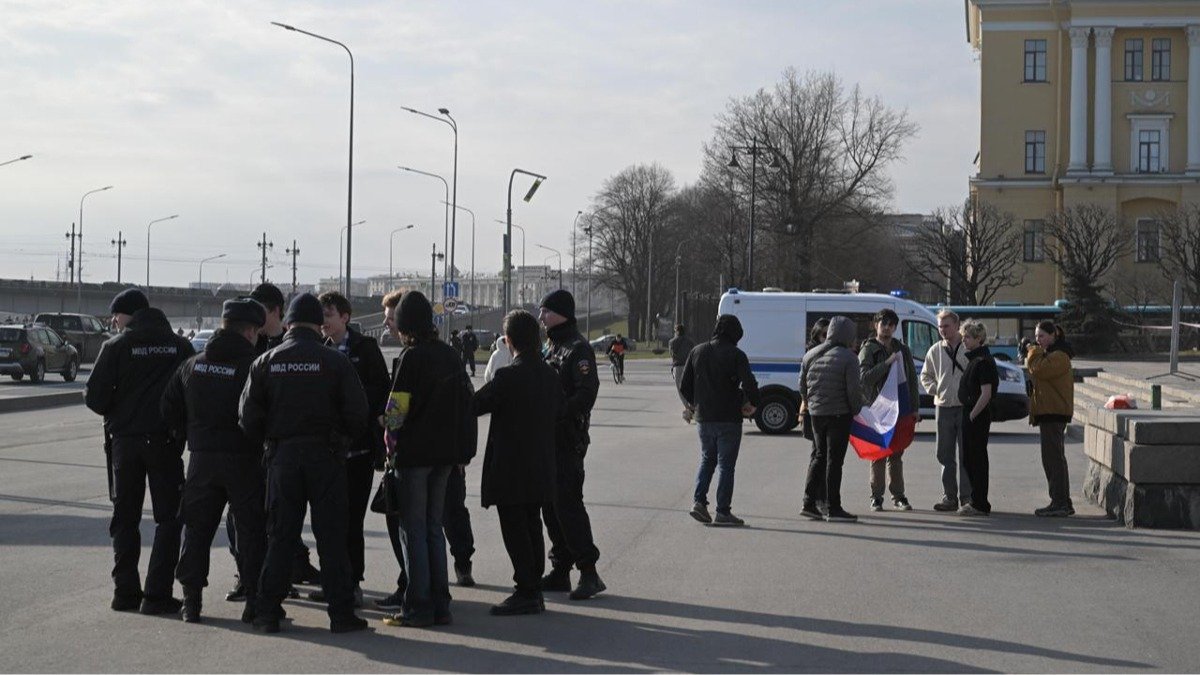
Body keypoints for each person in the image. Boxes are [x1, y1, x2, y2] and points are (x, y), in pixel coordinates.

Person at [238, 292, 369, 634]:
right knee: (332, 538)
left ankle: (267, 612)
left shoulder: (266, 361)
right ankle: (341, 614)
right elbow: (358, 414)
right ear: (318, 324)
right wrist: (340, 442)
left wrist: (270, 441)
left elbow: (247, 416)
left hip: (282, 459)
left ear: (288, 323)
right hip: (326, 459)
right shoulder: (335, 362)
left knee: (281, 537)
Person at [85, 288, 195, 614]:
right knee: (169, 519)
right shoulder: (180, 346)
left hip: (125, 444)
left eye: (116, 315)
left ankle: (125, 593)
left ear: (129, 314)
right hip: (165, 444)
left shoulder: (116, 346)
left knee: (125, 519)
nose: (114, 321)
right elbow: (194, 392)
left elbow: (94, 397)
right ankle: (157, 595)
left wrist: (119, 410)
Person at [162, 297, 268, 623]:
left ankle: (191, 602)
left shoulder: (193, 364)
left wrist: (193, 433)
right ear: (250, 331)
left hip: (202, 459)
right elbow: (265, 413)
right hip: (244, 459)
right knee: (250, 531)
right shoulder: (255, 367)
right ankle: (253, 601)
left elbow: (168, 408)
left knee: (196, 531)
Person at [380, 291, 477, 628]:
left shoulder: (412, 358)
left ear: (406, 326)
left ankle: (417, 606)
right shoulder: (450, 356)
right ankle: (440, 603)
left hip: (415, 456)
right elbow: (467, 405)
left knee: (413, 530)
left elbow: (395, 412)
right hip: (446, 457)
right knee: (435, 529)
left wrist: (389, 445)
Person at [225, 282, 317, 602]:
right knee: (240, 516)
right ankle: (247, 575)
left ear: (277, 311)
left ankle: (284, 574)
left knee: (278, 517)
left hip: (282, 446)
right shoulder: (250, 343)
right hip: (250, 444)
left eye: (260, 310)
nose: (253, 317)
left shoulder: (288, 344)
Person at [474, 310, 562, 615]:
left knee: (515, 529)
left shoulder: (508, 376)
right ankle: (532, 587)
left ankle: (526, 589)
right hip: (541, 464)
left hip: (511, 467)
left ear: (509, 341)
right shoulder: (550, 374)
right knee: (532, 525)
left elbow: (477, 404)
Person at [315, 291, 390, 608]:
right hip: (328, 453)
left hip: (357, 451)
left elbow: (381, 392)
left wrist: (350, 401)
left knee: (351, 521)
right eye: (322, 317)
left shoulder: (365, 348)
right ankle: (334, 580)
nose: (325, 323)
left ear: (345, 317)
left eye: (329, 315)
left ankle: (353, 582)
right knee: (329, 521)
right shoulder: (320, 351)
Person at [539, 289, 606, 600]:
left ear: (562, 314)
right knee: (549, 507)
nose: (541, 318)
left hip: (566, 439)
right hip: (547, 440)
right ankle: (560, 569)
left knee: (567, 506)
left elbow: (586, 392)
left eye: (546, 312)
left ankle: (589, 572)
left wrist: (559, 413)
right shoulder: (552, 346)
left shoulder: (577, 349)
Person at [679, 314, 759, 526]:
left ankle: (699, 502)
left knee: (707, 459)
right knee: (726, 466)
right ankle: (722, 511)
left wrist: (696, 403)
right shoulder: (736, 355)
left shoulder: (697, 351)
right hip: (729, 418)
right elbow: (750, 384)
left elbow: (684, 386)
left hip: (704, 418)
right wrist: (752, 403)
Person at [799, 315, 862, 523]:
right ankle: (833, 507)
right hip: (839, 413)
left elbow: (802, 386)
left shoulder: (811, 354)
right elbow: (853, 391)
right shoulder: (849, 357)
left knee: (818, 456)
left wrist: (810, 403)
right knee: (835, 461)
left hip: (816, 413)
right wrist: (856, 410)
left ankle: (808, 503)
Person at [858, 309, 917, 512]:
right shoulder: (868, 349)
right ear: (876, 325)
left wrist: (914, 408)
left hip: (900, 409)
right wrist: (887, 363)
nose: (887, 328)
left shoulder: (902, 349)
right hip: (876, 409)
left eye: (891, 325)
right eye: (884, 323)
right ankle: (876, 496)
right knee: (878, 454)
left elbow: (911, 381)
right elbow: (864, 378)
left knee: (897, 454)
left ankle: (899, 496)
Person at [920, 309, 972, 512]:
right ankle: (949, 497)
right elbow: (925, 376)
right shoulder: (935, 350)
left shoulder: (968, 347)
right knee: (944, 454)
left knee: (966, 454)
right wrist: (936, 390)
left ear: (956, 325)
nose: (942, 330)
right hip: (943, 407)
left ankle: (967, 498)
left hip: (965, 407)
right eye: (940, 326)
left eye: (946, 326)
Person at [1026, 320, 1076, 517]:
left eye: (1042, 336)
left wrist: (1031, 351)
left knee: (1054, 460)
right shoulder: (1051, 354)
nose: (1038, 340)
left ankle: (1061, 502)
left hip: (1054, 413)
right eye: (1036, 336)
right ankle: (1060, 500)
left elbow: (1038, 369)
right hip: (1049, 412)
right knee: (1051, 459)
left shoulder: (1060, 356)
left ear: (1053, 335)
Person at [957, 319, 998, 517]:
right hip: (971, 414)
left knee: (976, 460)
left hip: (976, 416)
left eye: (967, 337)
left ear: (978, 339)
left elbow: (986, 392)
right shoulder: (976, 359)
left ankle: (980, 503)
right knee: (969, 459)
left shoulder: (983, 362)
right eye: (963, 336)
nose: (963, 340)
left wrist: (972, 415)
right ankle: (976, 500)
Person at [669, 324, 697, 422]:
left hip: (678, 366)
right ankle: (692, 406)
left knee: (680, 389)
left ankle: (688, 408)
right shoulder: (690, 341)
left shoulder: (672, 342)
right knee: (690, 386)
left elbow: (672, 355)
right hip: (689, 366)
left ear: (676, 331)